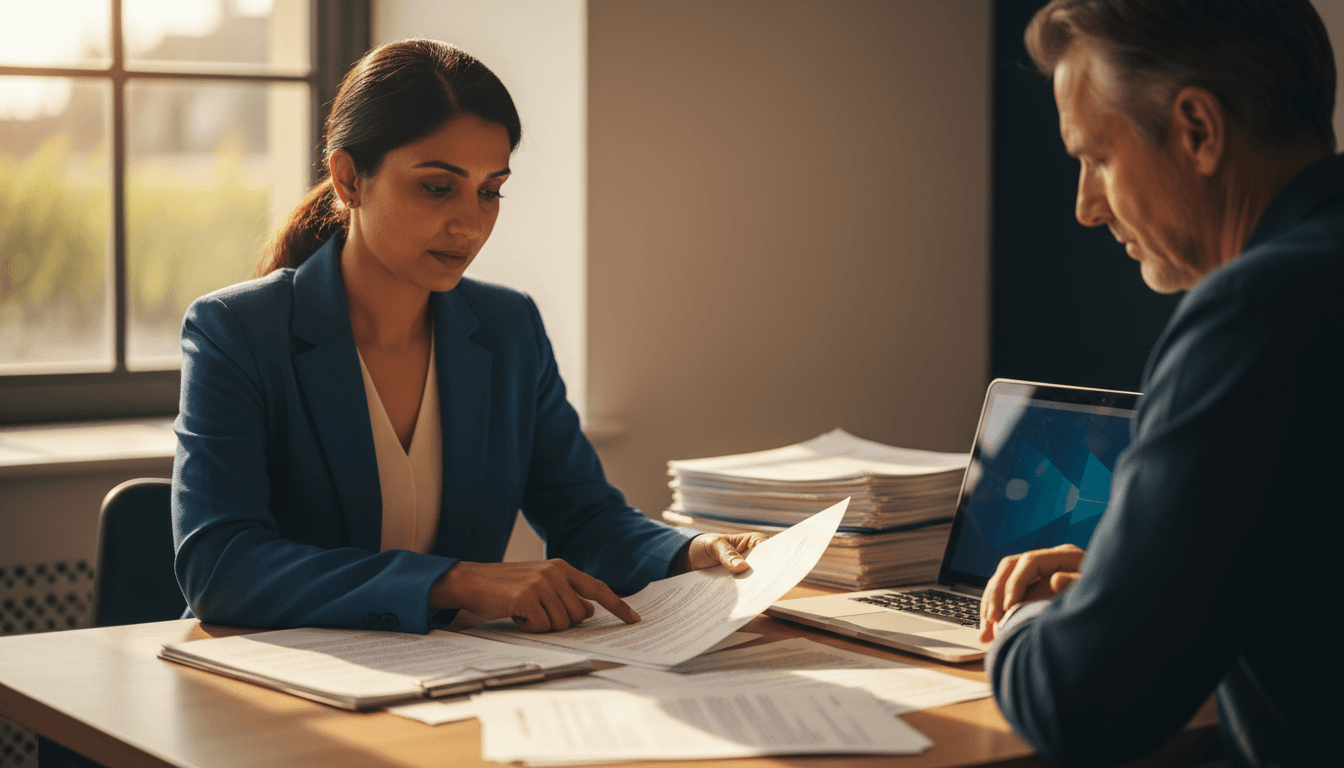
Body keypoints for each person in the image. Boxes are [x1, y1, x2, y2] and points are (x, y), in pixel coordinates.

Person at [172, 39, 766, 637]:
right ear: (349, 177)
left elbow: (584, 516)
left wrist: (689, 551)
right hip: (274, 684)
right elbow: (220, 566)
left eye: (490, 190)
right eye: (437, 187)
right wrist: (453, 581)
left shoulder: (509, 330)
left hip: (453, 684)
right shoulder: (237, 331)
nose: (471, 223)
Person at [977, 1, 1343, 766]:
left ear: (1198, 131)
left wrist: (1030, 617)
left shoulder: (1254, 315)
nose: (1084, 207)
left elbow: (1078, 705)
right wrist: (1140, 587)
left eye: (1097, 158)